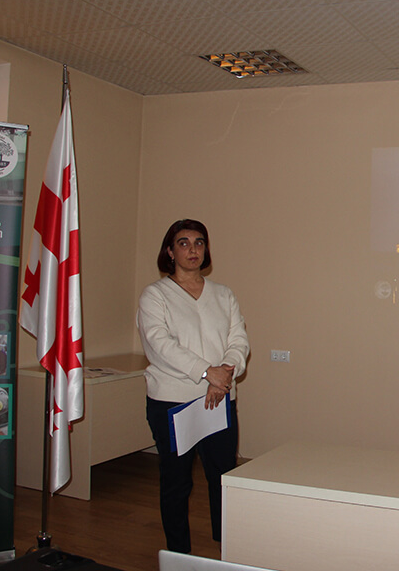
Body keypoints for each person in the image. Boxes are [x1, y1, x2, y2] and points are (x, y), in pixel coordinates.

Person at [137, 219, 250, 553]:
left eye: (199, 242)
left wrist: (223, 375)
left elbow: (238, 340)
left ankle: (227, 546)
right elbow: (160, 343)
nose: (193, 249)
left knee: (222, 475)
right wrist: (205, 372)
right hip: (173, 402)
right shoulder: (155, 295)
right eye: (183, 243)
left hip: (220, 399)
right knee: (177, 482)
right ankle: (178, 554)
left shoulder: (223, 294)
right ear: (170, 252)